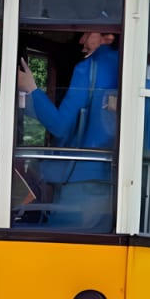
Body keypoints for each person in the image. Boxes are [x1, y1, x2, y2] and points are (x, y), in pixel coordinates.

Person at [16, 30, 120, 230]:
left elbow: (60, 126)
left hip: (78, 185)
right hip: (113, 184)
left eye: (87, 32)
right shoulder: (133, 67)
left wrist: (31, 88)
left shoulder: (87, 69)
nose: (81, 40)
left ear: (108, 35)